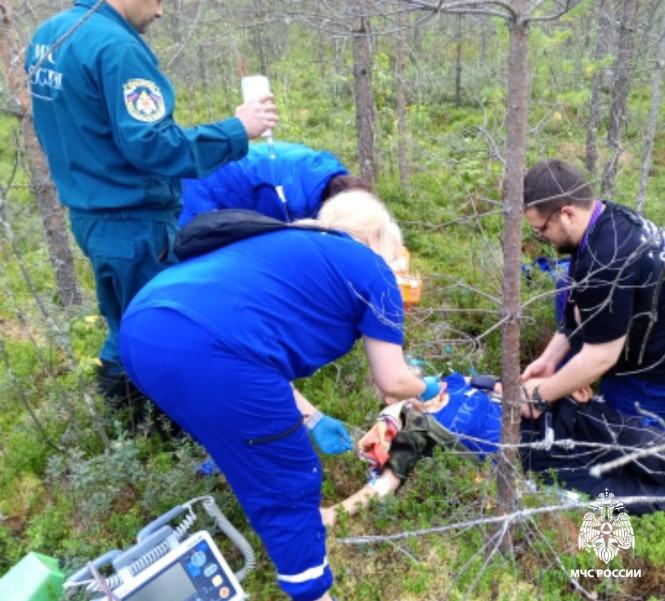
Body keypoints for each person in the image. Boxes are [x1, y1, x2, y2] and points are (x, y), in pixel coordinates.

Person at [118, 191, 442, 601]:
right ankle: (311, 592)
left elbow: (252, 349)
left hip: (143, 329)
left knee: (245, 435)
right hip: (212, 352)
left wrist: (312, 418)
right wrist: (428, 388)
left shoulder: (281, 241)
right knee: (289, 477)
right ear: (377, 241)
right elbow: (391, 382)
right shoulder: (373, 270)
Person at [25, 0, 278, 400]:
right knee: (156, 329)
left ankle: (126, 420)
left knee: (124, 319)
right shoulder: (117, 47)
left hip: (89, 211)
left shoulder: (50, 35)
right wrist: (237, 130)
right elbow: (154, 146)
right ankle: (151, 426)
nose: (160, 12)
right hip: (132, 219)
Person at [321, 373, 665, 526]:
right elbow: (385, 483)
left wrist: (560, 385)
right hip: (540, 461)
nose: (411, 371)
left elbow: (515, 387)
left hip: (566, 417)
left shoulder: (455, 382)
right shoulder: (420, 430)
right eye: (398, 380)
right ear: (392, 400)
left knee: (651, 449)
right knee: (632, 499)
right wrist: (334, 513)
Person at [521, 159, 665, 421]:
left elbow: (600, 357)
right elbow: (575, 305)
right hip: (641, 332)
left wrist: (540, 397)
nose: (543, 237)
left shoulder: (606, 261)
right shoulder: (602, 218)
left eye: (542, 229)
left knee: (632, 449)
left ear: (568, 213)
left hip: (652, 376)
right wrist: (550, 361)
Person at [179, 141, 370, 226]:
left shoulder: (327, 174)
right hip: (199, 186)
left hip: (215, 170)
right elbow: (267, 234)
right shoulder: (284, 196)